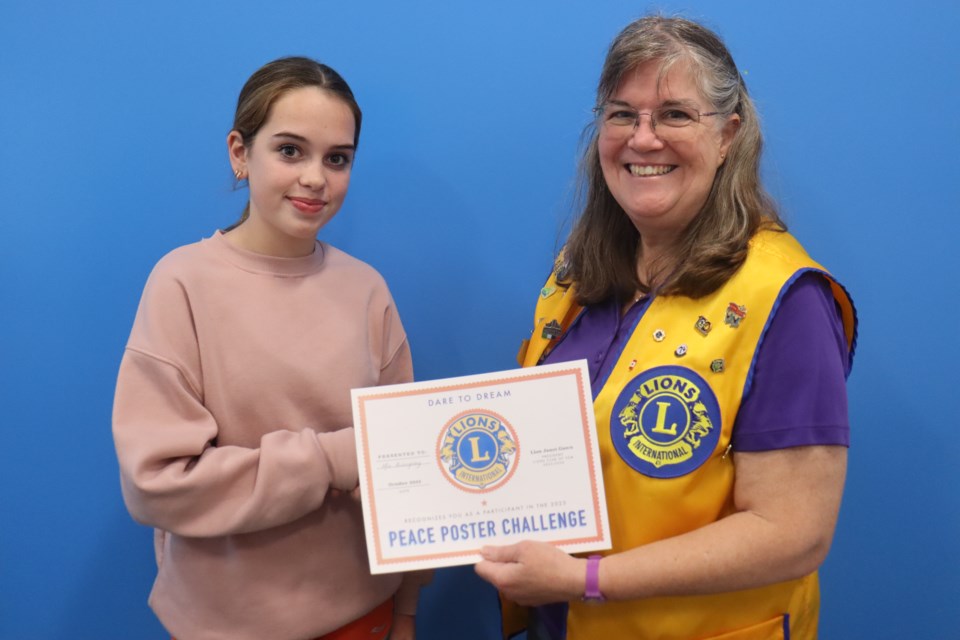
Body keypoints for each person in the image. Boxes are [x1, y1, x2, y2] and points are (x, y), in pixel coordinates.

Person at [474, 15, 857, 640]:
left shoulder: (785, 299)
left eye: (675, 115)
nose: (642, 138)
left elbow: (792, 534)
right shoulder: (580, 269)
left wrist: (586, 581)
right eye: (622, 114)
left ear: (729, 134)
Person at [113, 57, 426, 640]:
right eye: (290, 150)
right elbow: (157, 481)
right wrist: (335, 459)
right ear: (239, 152)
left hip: (366, 615)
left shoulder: (366, 289)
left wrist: (405, 609)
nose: (315, 177)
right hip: (226, 624)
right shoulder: (181, 283)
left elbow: (404, 471)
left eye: (337, 158)